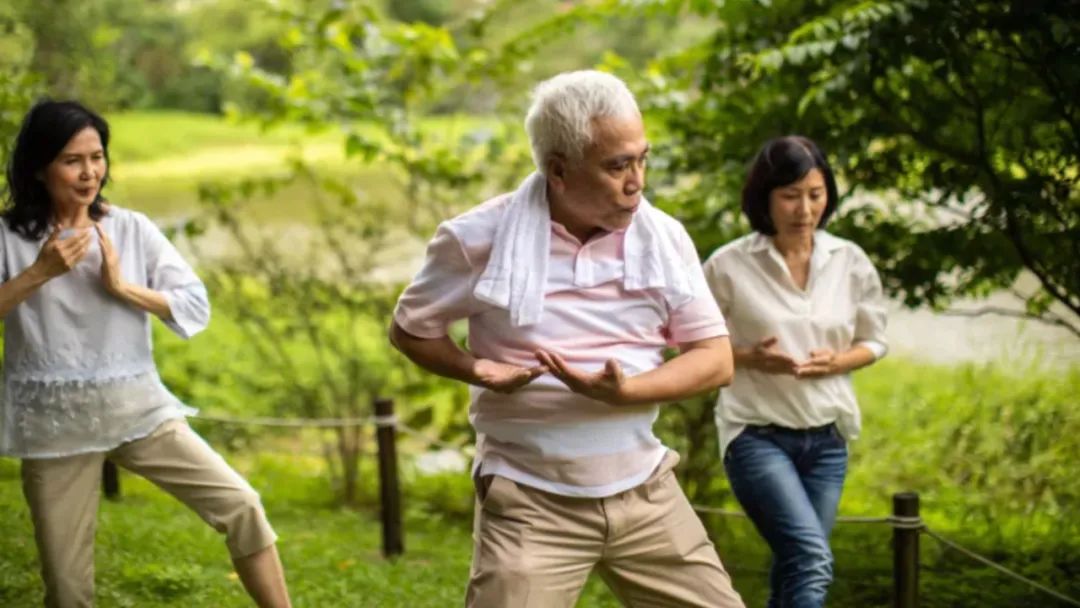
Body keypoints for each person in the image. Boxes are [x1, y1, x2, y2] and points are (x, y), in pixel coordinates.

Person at [390, 70, 745, 608]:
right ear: (558, 170)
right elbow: (411, 329)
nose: (637, 181)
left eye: (642, 159)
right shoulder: (475, 239)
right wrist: (477, 370)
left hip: (645, 487)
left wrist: (625, 392)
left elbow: (715, 358)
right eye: (617, 165)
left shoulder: (664, 237)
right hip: (530, 498)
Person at [0, 100, 292, 608]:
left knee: (242, 505)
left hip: (137, 410)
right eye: (73, 159)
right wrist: (38, 274)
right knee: (67, 590)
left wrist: (125, 288)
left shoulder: (131, 229)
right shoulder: (7, 237)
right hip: (53, 427)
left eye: (97, 156)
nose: (89, 172)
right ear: (38, 166)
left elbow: (194, 305)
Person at [702, 136, 888, 608]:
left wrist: (839, 361)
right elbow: (690, 343)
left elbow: (875, 340)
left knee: (794, 564)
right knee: (811, 558)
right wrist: (747, 355)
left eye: (815, 193)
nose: (804, 208)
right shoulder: (728, 265)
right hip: (756, 436)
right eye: (789, 195)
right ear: (764, 198)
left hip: (827, 439)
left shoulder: (850, 261)